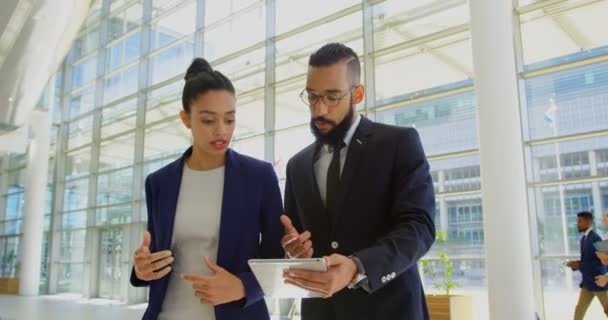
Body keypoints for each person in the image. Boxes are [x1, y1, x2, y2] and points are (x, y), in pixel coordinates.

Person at [280, 43, 436, 320]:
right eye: (313, 96)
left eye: (332, 97)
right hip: (321, 312)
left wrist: (357, 266)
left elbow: (418, 228)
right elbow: (298, 236)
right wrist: (295, 249)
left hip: (390, 311)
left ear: (358, 93)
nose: (319, 110)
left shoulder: (398, 143)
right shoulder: (297, 166)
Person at [129, 58, 284, 320]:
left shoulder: (259, 177)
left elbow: (276, 259)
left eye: (230, 119)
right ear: (186, 119)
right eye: (208, 120)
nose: (222, 131)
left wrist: (243, 286)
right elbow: (156, 254)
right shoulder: (159, 183)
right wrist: (142, 269)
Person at [566, 211, 608, 320]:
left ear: (588, 222)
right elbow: (588, 260)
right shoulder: (583, 239)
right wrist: (577, 264)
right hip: (587, 284)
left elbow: (603, 263)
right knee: (579, 310)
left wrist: (579, 265)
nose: (577, 224)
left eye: (580, 221)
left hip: (599, 283)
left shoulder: (596, 238)